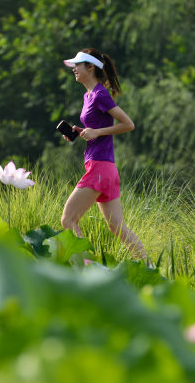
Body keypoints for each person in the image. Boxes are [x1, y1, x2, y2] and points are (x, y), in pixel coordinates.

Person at [60, 48, 147, 260]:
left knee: (68, 221)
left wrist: (97, 131)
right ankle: (150, 267)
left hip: (100, 168)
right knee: (118, 228)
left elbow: (128, 124)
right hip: (105, 169)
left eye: (77, 65)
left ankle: (89, 269)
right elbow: (96, 127)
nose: (74, 70)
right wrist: (81, 132)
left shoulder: (100, 95)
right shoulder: (88, 95)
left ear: (90, 67)